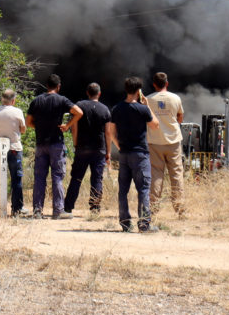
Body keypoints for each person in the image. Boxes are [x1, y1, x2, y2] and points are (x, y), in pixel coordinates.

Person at [26, 75, 83, 219]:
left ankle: (37, 211)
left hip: (40, 144)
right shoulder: (61, 100)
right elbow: (79, 112)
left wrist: (39, 127)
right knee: (57, 176)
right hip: (56, 143)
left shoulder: (36, 100)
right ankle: (58, 210)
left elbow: (28, 122)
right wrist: (67, 126)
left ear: (46, 85)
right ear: (58, 86)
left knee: (39, 177)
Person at [110, 76, 160, 232]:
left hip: (124, 154)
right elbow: (155, 125)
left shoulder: (117, 108)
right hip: (140, 154)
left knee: (123, 190)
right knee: (143, 189)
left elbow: (111, 132)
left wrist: (119, 146)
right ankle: (144, 225)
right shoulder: (142, 109)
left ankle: (125, 224)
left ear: (126, 89)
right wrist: (147, 105)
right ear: (139, 91)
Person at [63, 82, 113, 215]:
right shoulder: (105, 109)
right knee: (97, 179)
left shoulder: (80, 106)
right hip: (99, 149)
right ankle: (95, 208)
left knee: (76, 177)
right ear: (99, 94)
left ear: (87, 93)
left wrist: (75, 144)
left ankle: (68, 207)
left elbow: (74, 127)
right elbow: (108, 133)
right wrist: (108, 152)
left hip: (82, 147)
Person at [146, 71, 185, 217]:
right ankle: (180, 209)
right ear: (167, 83)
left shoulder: (148, 100)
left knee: (156, 175)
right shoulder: (175, 98)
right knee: (176, 174)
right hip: (173, 141)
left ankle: (153, 209)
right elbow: (180, 117)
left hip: (154, 142)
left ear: (154, 84)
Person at [0, 88, 26, 216]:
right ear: (13, 100)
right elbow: (23, 130)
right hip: (14, 148)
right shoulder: (17, 112)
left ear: (2, 99)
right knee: (16, 178)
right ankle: (17, 208)